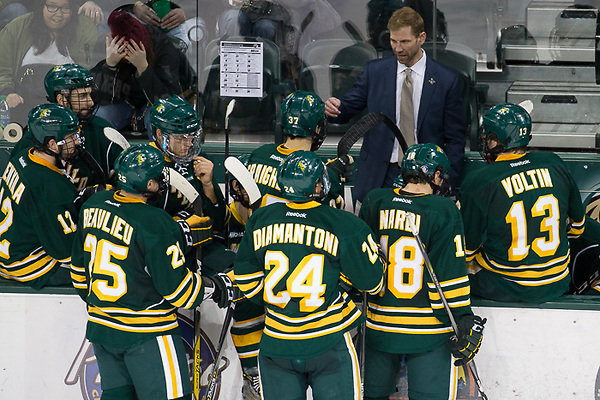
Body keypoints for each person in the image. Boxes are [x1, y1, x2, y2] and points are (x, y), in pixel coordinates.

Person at [70, 143, 235, 400]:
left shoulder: (93, 205)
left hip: (101, 329)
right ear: (147, 186)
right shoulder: (157, 222)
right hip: (148, 336)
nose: (161, 183)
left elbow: (79, 275)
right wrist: (218, 284)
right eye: (157, 178)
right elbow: (181, 293)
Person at [234, 150, 385, 400]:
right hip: (329, 343)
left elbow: (247, 279)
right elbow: (372, 283)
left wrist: (281, 300)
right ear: (318, 184)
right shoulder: (344, 224)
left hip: (276, 342)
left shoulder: (259, 219)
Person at [359, 143, 485, 400]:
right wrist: (463, 318)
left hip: (378, 326)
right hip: (427, 330)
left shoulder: (375, 200)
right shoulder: (444, 210)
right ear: (436, 175)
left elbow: (362, 264)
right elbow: (450, 276)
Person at [324, 6, 465, 203]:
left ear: (421, 38)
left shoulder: (447, 79)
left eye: (405, 41)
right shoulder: (375, 72)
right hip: (379, 178)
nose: (398, 48)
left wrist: (446, 180)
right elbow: (348, 107)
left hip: (423, 180)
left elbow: (455, 139)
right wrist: (336, 108)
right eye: (393, 41)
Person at [459, 103, 586, 303]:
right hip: (557, 282)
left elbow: (465, 251)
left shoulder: (480, 180)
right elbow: (577, 228)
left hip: (506, 285)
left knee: (454, 266)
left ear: (494, 140)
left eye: (488, 136)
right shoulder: (554, 162)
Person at [0, 103, 84, 288]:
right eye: (70, 137)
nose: (76, 142)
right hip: (27, 265)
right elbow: (67, 252)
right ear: (52, 144)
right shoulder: (50, 186)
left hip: (7, 252)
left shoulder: (22, 157)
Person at [11, 63, 121, 189]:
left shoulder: (103, 130)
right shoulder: (35, 137)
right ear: (61, 99)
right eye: (82, 96)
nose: (90, 102)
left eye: (90, 95)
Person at [247, 90, 353, 209]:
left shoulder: (259, 154)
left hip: (256, 226)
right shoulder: (318, 173)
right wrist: (331, 175)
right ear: (318, 128)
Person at [0, 0, 98, 125]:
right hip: (23, 105)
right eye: (52, 7)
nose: (58, 14)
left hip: (68, 108)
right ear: (42, 6)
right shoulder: (17, 28)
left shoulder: (84, 29)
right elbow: (2, 68)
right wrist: (8, 92)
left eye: (65, 8)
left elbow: (89, 72)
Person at [91, 9, 182, 132]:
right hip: (123, 105)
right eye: (123, 52)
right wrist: (110, 65)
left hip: (152, 106)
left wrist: (143, 68)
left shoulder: (164, 48)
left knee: (159, 119)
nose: (128, 58)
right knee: (101, 115)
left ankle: (158, 151)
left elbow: (168, 102)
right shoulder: (108, 45)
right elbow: (97, 99)